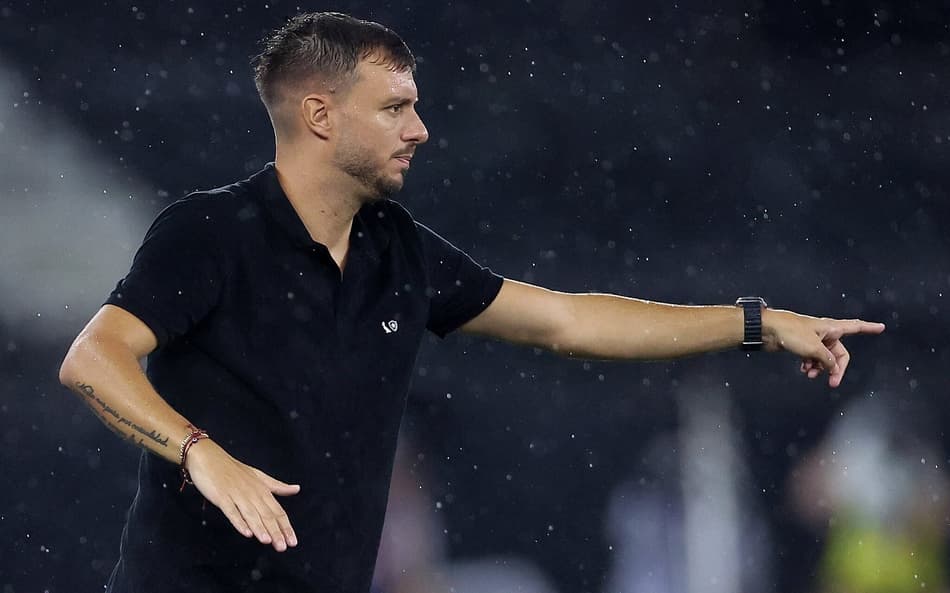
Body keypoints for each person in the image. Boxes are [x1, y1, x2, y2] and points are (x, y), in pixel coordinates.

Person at [58, 12, 885, 593]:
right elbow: (92, 356)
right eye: (395, 107)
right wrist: (202, 450)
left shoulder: (399, 250)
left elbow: (568, 318)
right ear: (318, 115)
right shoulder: (210, 231)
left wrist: (755, 321)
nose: (419, 128)